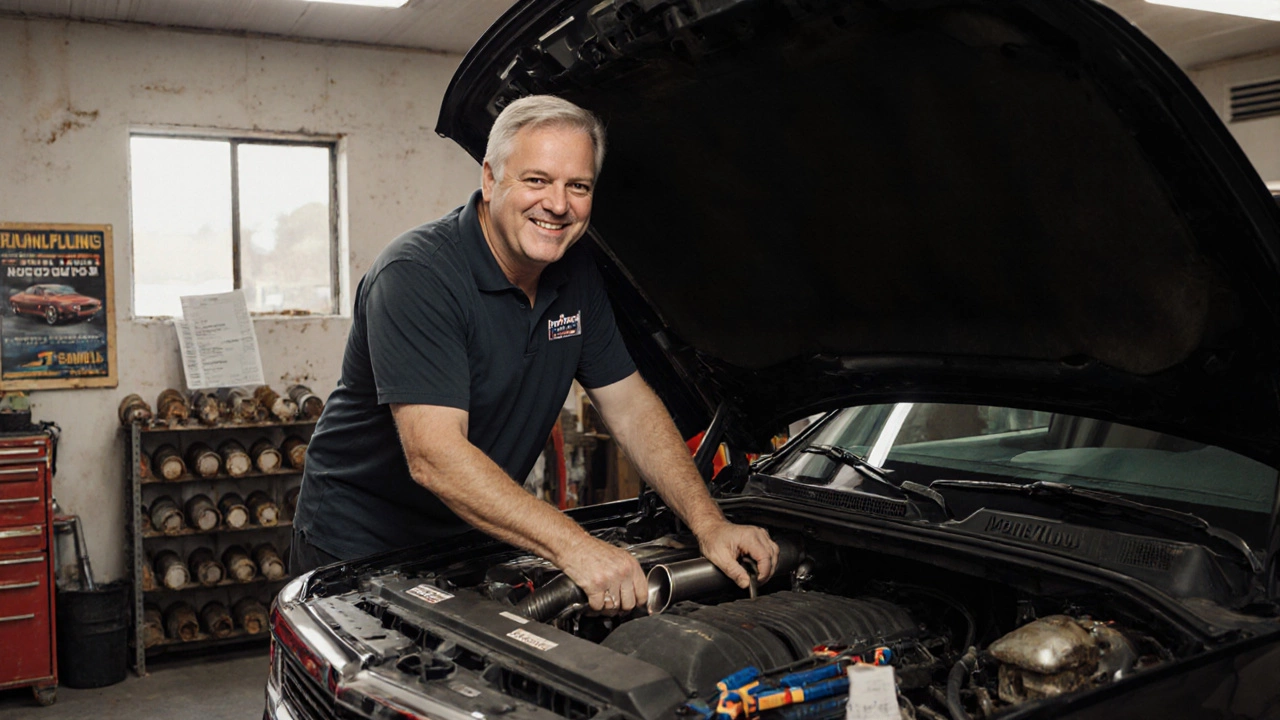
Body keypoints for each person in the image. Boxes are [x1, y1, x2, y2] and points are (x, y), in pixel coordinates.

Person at [292, 95, 777, 614]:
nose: (558, 204)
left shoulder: (577, 272)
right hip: (359, 545)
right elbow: (435, 457)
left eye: (579, 186)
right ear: (490, 179)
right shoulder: (418, 275)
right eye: (537, 180)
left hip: (475, 534)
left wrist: (709, 524)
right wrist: (576, 547)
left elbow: (631, 407)